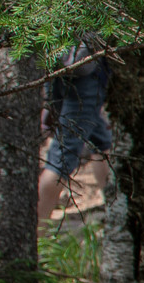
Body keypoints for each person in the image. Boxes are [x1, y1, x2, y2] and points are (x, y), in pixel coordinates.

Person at [37, 40, 113, 218]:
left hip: (58, 63)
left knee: (101, 142)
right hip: (85, 73)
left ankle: (115, 213)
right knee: (60, 160)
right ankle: (34, 236)